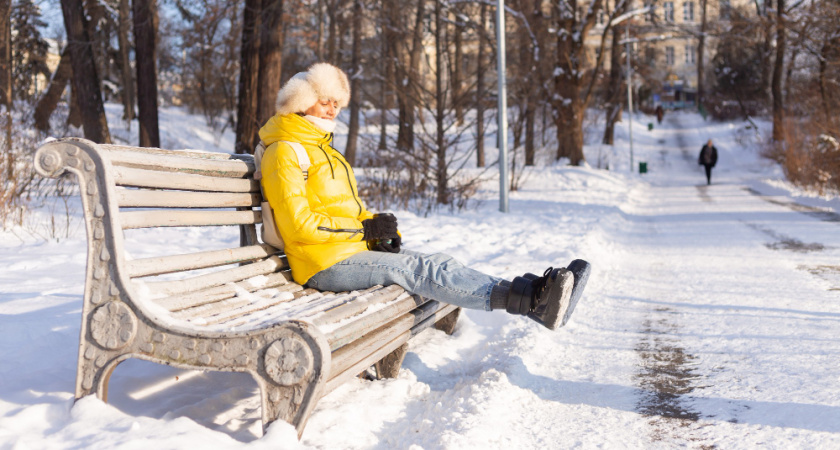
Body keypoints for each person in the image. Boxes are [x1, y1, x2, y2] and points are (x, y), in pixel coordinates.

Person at [258, 63, 590, 330]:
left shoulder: (322, 149)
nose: (331, 111)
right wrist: (363, 232)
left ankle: (534, 296)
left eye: (336, 103)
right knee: (416, 269)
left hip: (347, 252)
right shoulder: (285, 152)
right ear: (300, 101)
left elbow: (342, 208)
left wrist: (377, 229)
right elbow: (299, 225)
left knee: (438, 263)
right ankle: (533, 301)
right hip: (321, 264)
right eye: (324, 101)